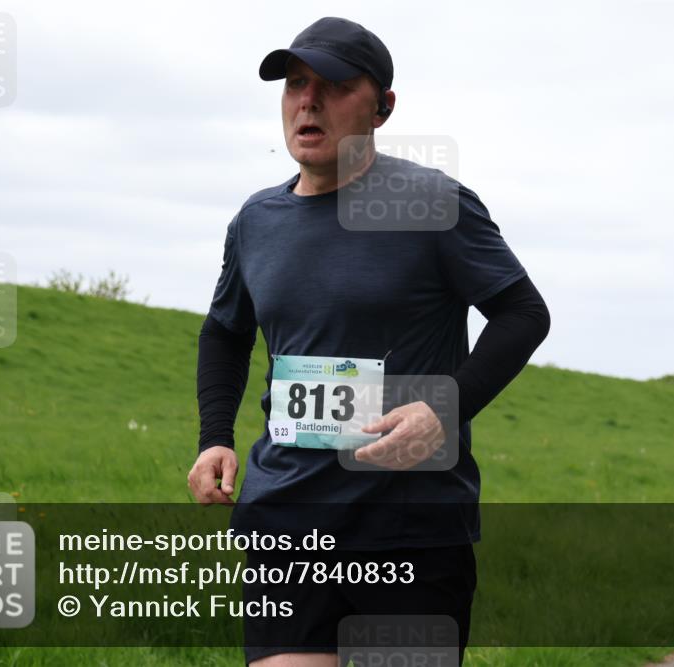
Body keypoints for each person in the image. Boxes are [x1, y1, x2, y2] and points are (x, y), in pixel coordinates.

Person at [188, 17, 550, 666]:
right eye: (296, 84)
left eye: (333, 84)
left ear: (382, 106)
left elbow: (523, 313)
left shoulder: (433, 203)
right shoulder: (255, 222)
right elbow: (225, 331)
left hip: (409, 524)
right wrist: (215, 434)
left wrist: (443, 407)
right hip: (286, 514)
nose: (308, 100)